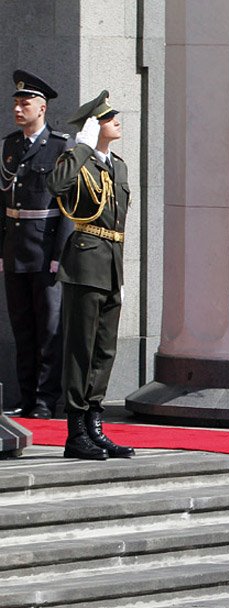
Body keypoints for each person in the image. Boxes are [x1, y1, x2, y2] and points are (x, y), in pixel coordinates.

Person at [47, 90, 133, 461]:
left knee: (104, 350)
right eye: (109, 117)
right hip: (85, 263)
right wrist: (82, 147)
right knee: (80, 349)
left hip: (111, 264)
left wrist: (121, 274)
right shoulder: (76, 159)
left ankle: (94, 425)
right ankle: (74, 431)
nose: (117, 120)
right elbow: (56, 186)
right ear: (94, 125)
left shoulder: (119, 165)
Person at [0, 70, 72, 419]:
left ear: (41, 108)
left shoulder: (61, 146)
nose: (18, 107)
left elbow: (67, 209)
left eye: (25, 102)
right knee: (23, 328)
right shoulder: (10, 145)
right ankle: (27, 398)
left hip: (45, 253)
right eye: (16, 102)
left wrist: (59, 255)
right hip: (15, 251)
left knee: (48, 330)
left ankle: (46, 401)